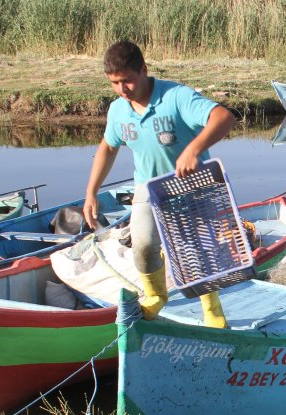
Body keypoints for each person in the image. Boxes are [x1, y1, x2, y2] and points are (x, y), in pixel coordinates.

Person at [82, 40, 236, 329]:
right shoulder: (118, 110)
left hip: (192, 185)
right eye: (114, 83)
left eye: (127, 80)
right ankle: (155, 295)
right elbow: (108, 148)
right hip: (149, 188)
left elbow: (223, 118)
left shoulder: (176, 97)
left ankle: (212, 308)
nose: (122, 89)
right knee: (143, 245)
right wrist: (91, 192)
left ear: (144, 70)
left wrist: (193, 149)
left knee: (196, 249)